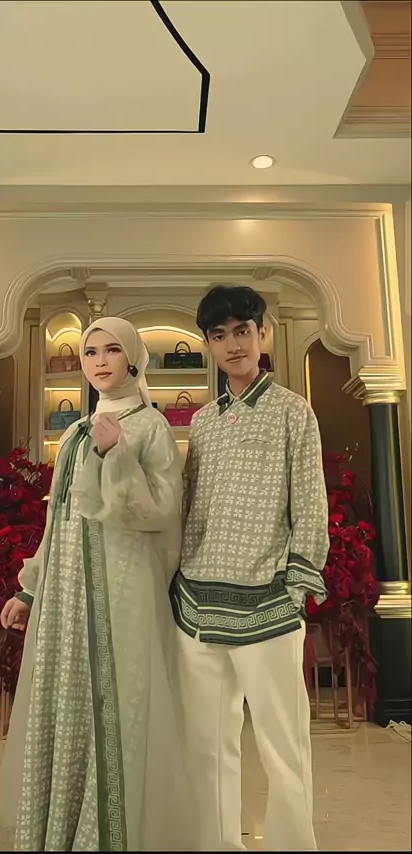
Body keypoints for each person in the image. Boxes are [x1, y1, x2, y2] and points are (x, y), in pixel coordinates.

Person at [0, 317, 194, 852]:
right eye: (90, 351)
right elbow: (59, 521)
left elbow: (163, 511)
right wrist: (30, 588)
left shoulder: (150, 426)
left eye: (112, 350)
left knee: (122, 704)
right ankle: (61, 829)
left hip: (125, 586)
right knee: (68, 703)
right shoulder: (76, 431)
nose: (99, 361)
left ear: (134, 359)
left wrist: (116, 454)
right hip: (67, 593)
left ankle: (111, 836)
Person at [170, 285, 329, 852]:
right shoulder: (204, 421)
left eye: (242, 330)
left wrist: (297, 586)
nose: (233, 344)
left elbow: (310, 502)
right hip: (199, 605)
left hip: (269, 603)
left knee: (284, 747)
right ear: (209, 345)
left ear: (263, 333)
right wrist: (177, 582)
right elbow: (191, 506)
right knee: (206, 747)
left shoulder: (293, 410)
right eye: (219, 335)